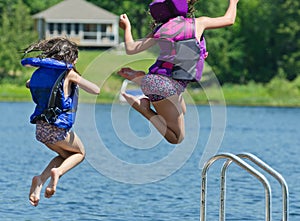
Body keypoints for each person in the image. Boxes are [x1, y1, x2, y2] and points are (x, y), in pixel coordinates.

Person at [118, 0, 239, 144]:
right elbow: (229, 20)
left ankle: (141, 78)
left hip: (156, 80)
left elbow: (131, 48)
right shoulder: (198, 23)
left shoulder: (160, 29)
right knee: (176, 138)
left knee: (183, 109)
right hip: (167, 86)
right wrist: (233, 2)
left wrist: (126, 27)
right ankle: (143, 108)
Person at [21, 37, 100, 206]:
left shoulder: (40, 72)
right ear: (70, 58)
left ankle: (40, 181)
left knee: (64, 155)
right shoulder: (69, 73)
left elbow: (29, 84)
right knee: (80, 153)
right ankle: (57, 173)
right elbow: (96, 90)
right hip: (57, 130)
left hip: (41, 130)